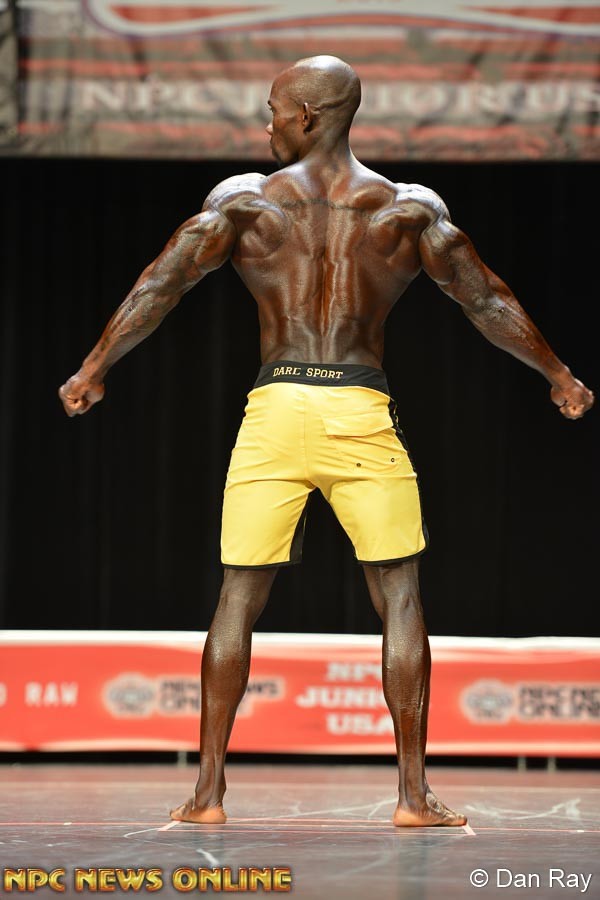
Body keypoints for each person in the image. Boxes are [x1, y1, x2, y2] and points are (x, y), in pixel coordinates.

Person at [59, 55, 594, 827]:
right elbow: (485, 301)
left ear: (306, 116)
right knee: (399, 595)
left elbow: (161, 284)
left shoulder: (243, 203)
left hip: (274, 412)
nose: (266, 124)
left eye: (274, 110)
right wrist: (558, 374)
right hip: (357, 411)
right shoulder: (405, 211)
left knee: (238, 596)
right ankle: (412, 797)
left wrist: (94, 367)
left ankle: (206, 794)